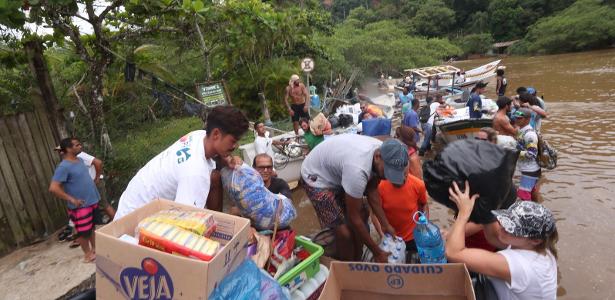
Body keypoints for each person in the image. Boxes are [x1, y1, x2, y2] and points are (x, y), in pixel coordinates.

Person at [114, 105, 249, 220]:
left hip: (131, 201)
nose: (236, 146)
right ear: (216, 134)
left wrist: (223, 157)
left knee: (214, 177)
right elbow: (186, 222)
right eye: (233, 141)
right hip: (134, 223)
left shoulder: (197, 136)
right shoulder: (195, 173)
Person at [301, 136, 407, 263]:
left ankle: (357, 255)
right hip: (316, 178)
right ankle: (349, 264)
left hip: (339, 170)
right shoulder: (358, 170)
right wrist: (377, 252)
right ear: (378, 157)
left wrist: (386, 225)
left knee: (364, 213)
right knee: (344, 233)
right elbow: (353, 217)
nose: (387, 177)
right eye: (387, 172)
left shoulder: (383, 152)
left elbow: (372, 191)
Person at [446, 181, 558, 300]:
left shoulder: (520, 266)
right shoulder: (537, 247)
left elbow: (453, 253)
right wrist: (484, 204)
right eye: (506, 221)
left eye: (512, 228)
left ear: (535, 240)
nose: (503, 227)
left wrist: (463, 213)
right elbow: (493, 237)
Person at [49, 138, 100, 262]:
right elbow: (53, 188)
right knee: (83, 232)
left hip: (92, 201)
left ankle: (95, 250)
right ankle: (87, 255)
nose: (80, 146)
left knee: (92, 228)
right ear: (68, 149)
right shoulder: (63, 167)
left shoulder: (80, 160)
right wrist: (71, 199)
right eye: (76, 145)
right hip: (80, 206)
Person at [377, 168, 428, 263]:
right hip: (390, 239)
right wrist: (381, 234)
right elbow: (375, 213)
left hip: (413, 237)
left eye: (404, 176)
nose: (401, 181)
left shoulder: (418, 184)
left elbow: (424, 204)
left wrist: (424, 226)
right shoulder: (380, 186)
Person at [514, 108, 542, 201]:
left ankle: (528, 213)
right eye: (516, 117)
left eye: (519, 118)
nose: (516, 120)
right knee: (532, 192)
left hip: (530, 170)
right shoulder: (521, 130)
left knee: (523, 195)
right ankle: (537, 208)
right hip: (527, 168)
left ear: (527, 119)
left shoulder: (530, 134)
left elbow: (532, 153)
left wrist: (514, 152)